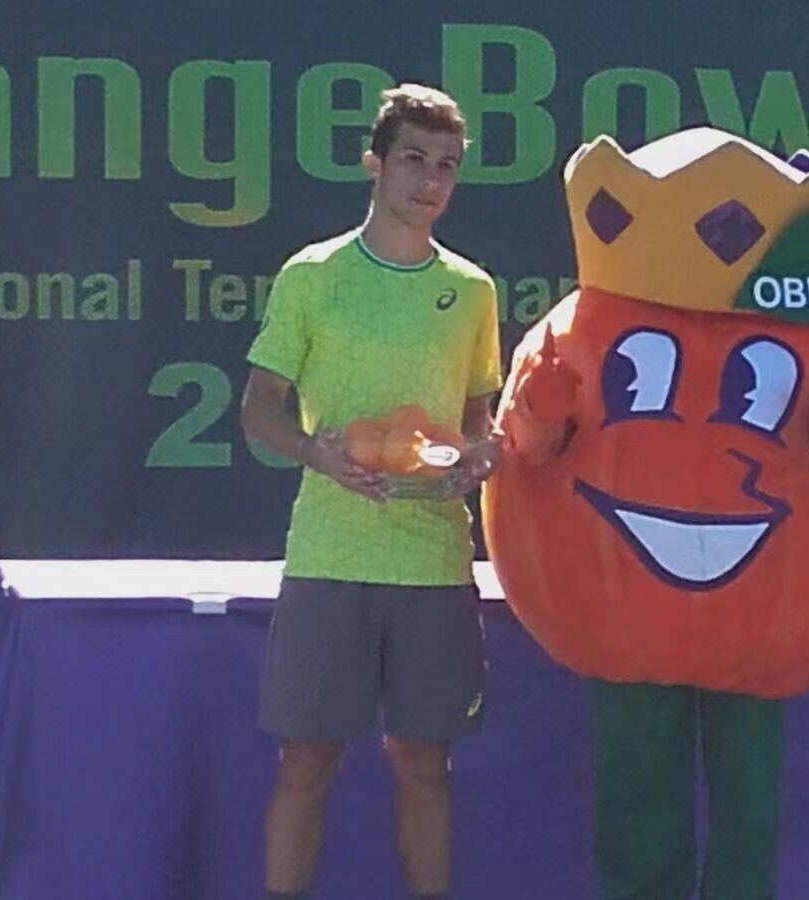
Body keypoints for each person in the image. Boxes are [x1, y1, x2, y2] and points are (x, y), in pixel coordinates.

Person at [239, 83, 504, 900]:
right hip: (330, 557)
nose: (430, 181)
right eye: (414, 161)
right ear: (375, 165)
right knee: (306, 760)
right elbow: (258, 414)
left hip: (433, 563)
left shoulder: (473, 290)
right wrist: (318, 455)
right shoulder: (313, 275)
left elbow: (478, 424)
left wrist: (476, 458)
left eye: (447, 167)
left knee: (424, 761)